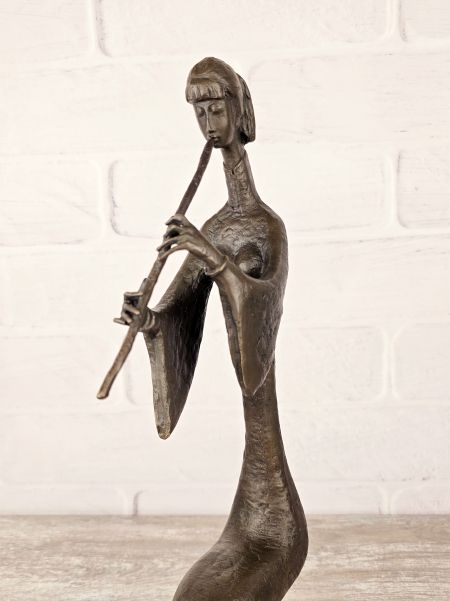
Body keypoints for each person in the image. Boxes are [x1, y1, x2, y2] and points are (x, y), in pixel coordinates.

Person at [120, 57, 308, 601]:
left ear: (238, 111)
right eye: (199, 111)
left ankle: (278, 535)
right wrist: (148, 320)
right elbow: (179, 308)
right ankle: (249, 534)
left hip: (264, 430)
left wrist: (210, 255)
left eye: (216, 108)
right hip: (251, 457)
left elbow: (263, 300)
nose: (208, 121)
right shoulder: (218, 226)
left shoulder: (266, 227)